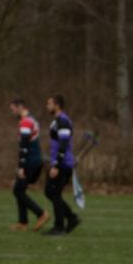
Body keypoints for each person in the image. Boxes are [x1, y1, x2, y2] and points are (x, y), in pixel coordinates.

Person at [8, 98, 49, 231]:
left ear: (20, 107)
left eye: (13, 109)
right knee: (19, 190)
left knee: (18, 191)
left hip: (30, 161)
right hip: (34, 160)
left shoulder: (25, 121)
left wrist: (21, 166)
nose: (12, 112)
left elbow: (24, 146)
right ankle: (22, 222)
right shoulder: (31, 119)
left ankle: (41, 214)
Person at [42, 94, 81, 236]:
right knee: (50, 192)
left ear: (57, 105)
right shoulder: (57, 121)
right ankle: (71, 218)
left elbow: (63, 144)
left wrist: (56, 165)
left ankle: (59, 227)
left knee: (54, 193)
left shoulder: (63, 121)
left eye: (49, 104)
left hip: (63, 164)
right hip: (59, 163)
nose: (47, 106)